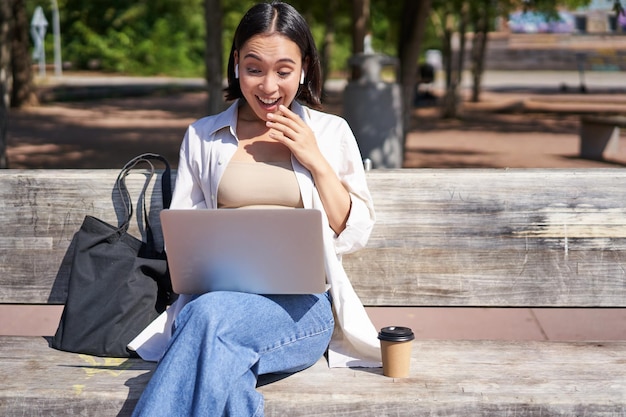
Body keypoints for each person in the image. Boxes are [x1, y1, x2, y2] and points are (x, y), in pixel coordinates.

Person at [129, 2, 381, 415]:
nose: (268, 86)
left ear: (304, 69)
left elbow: (353, 233)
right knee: (221, 357)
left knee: (207, 323)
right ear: (236, 65)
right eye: (254, 68)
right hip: (215, 303)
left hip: (300, 310)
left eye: (283, 70)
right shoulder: (203, 136)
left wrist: (314, 158)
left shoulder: (330, 132)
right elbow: (186, 238)